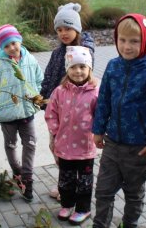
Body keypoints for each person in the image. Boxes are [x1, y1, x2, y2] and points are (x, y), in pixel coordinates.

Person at [92, 14, 146, 228]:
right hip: (112, 143)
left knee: (133, 194)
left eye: (134, 41)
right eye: (122, 40)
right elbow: (104, 99)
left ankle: (129, 224)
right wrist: (98, 130)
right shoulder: (113, 66)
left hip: (139, 148)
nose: (127, 46)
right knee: (103, 190)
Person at [40, 2, 95, 200]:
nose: (63, 33)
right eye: (59, 29)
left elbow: (85, 80)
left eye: (68, 28)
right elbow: (48, 76)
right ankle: (65, 185)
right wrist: (42, 96)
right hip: (57, 111)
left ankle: (75, 190)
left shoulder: (83, 52)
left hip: (76, 118)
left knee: (77, 157)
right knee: (57, 150)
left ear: (77, 28)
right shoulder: (57, 53)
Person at [44, 46, 99, 225]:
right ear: (67, 68)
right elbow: (51, 113)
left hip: (85, 147)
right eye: (73, 67)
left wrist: (99, 133)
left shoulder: (95, 92)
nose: (78, 71)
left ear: (89, 68)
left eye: (82, 67)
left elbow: (101, 115)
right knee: (65, 179)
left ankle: (83, 209)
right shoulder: (59, 92)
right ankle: (67, 204)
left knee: (84, 181)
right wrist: (55, 131)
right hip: (64, 147)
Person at [0, 24, 43, 202]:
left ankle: (27, 178)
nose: (11, 48)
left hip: (27, 112)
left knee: (30, 144)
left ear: (19, 41)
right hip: (7, 115)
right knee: (11, 144)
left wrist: (37, 96)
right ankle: (17, 172)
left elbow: (38, 79)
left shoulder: (30, 59)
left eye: (14, 43)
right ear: (1, 48)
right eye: (6, 46)